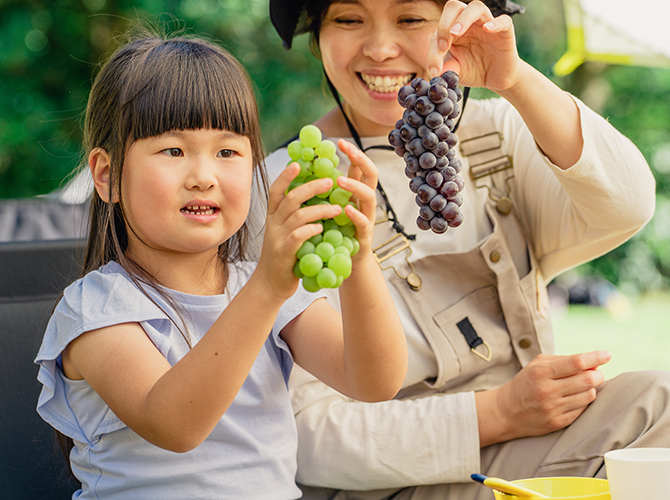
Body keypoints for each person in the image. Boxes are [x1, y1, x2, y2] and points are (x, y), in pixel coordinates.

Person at [264, 0, 670, 498]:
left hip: (529, 446)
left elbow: (627, 204)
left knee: (660, 404)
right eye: (349, 19)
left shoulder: (495, 134)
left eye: (410, 18)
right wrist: (496, 413)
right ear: (316, 37)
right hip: (391, 483)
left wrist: (515, 77)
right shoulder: (289, 188)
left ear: (453, 28)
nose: (380, 48)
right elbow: (308, 439)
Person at [33, 30, 408, 499]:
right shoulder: (96, 310)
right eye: (173, 150)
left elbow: (375, 380)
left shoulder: (261, 287)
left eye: (228, 152)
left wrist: (359, 255)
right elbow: (176, 425)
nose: (204, 177)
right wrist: (268, 290)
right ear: (107, 176)